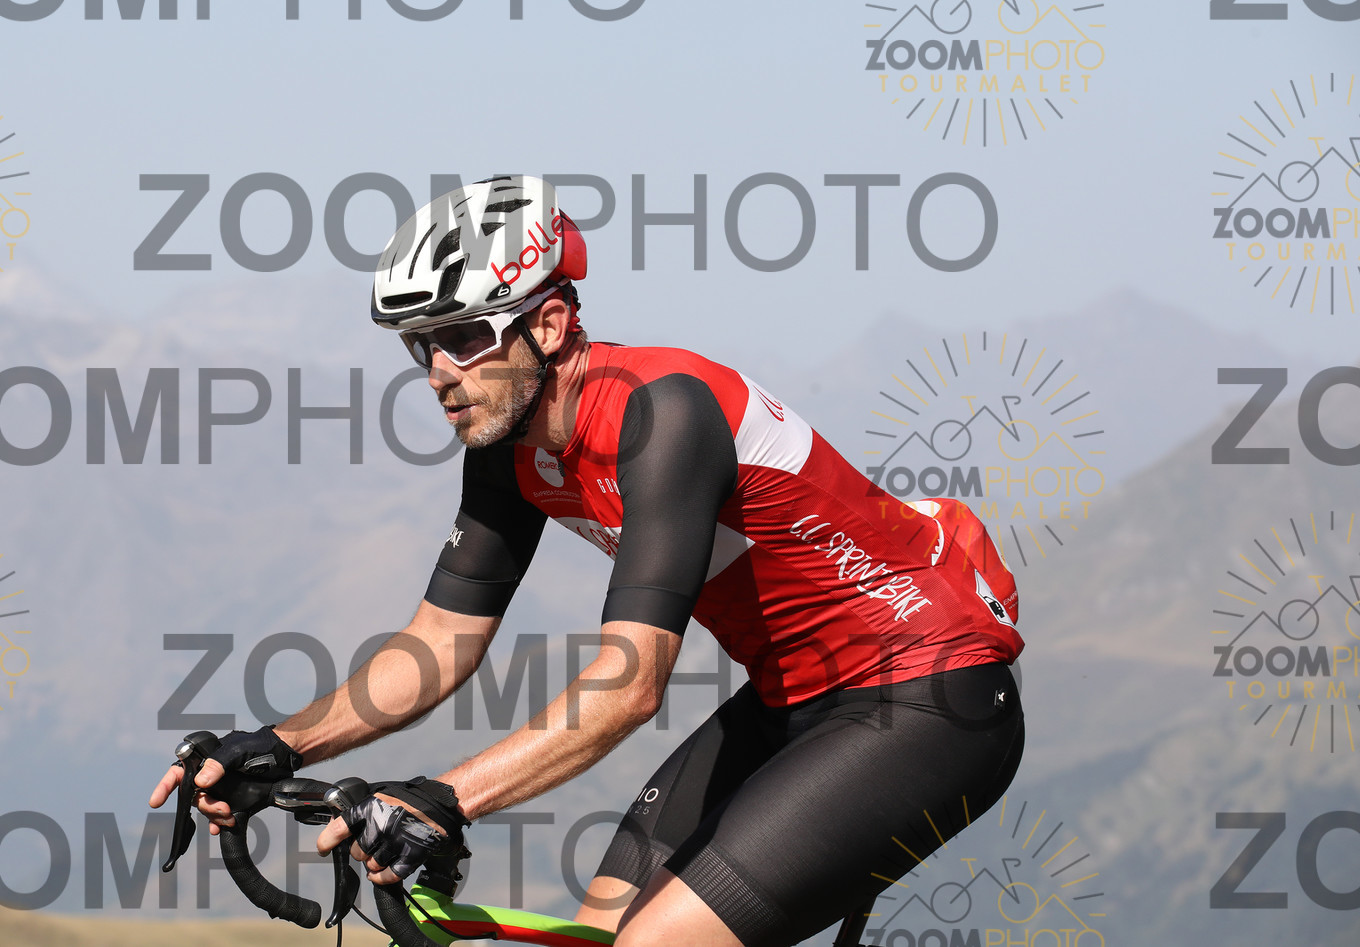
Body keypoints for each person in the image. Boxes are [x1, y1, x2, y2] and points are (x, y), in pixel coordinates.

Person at [151, 176, 1026, 947]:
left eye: (465, 336)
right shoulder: (507, 448)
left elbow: (630, 684)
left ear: (550, 323)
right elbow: (440, 643)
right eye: (422, 345)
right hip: (788, 700)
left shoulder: (664, 412)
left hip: (931, 695)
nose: (440, 372)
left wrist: (445, 799)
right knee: (597, 931)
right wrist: (279, 744)